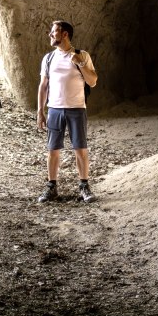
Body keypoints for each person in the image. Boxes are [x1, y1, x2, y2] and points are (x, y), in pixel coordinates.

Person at [36, 20, 98, 203]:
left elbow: (93, 81)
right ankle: (51, 187)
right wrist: (40, 111)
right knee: (52, 150)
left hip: (77, 109)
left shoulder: (82, 55)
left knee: (81, 149)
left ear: (65, 34)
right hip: (55, 109)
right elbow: (43, 86)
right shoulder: (48, 59)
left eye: (53, 31)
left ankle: (84, 186)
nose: (50, 34)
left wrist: (81, 64)